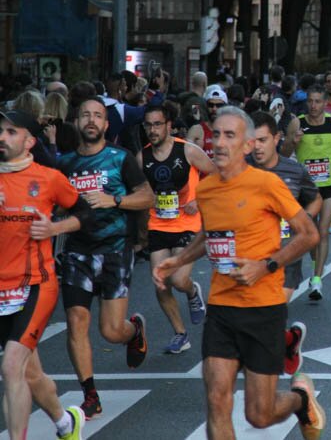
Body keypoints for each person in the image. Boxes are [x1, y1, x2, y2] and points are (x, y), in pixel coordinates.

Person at [152, 107, 324, 440]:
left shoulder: (266, 184)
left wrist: (266, 265)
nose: (218, 142)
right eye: (215, 134)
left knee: (259, 415)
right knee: (216, 399)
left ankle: (300, 399)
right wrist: (178, 260)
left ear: (246, 145)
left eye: (229, 135)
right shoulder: (206, 189)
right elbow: (210, 233)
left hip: (263, 308)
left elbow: (308, 233)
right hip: (222, 307)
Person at [56, 98, 155, 419]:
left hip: (115, 251)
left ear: (106, 124)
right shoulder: (64, 164)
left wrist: (113, 199)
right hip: (77, 253)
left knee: (111, 331)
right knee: (76, 321)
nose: (91, 120)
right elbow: (52, 202)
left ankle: (134, 331)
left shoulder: (120, 158)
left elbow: (147, 197)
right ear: (76, 122)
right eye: (85, 114)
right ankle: (90, 395)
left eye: (97, 115)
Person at [0, 109, 94, 440]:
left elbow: (84, 213)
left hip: (35, 286)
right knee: (29, 373)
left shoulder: (49, 178)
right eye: (1, 131)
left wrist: (54, 227)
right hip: (1, 290)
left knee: (11, 366)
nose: (2, 137)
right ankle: (66, 421)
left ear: (29, 141)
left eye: (12, 132)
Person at [250, 111, 322, 374]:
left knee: (266, 315)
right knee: (256, 318)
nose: (256, 146)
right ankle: (289, 340)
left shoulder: (294, 169)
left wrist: (302, 219)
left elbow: (315, 199)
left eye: (262, 140)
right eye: (252, 140)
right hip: (252, 256)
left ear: (277, 138)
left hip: (287, 255)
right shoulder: (241, 168)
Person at [139, 104, 215, 355]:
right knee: (161, 281)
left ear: (169, 125)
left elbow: (216, 176)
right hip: (158, 223)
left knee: (179, 278)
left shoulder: (188, 151)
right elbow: (138, 191)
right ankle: (180, 334)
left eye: (157, 124)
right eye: (148, 125)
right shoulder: (143, 157)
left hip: (187, 223)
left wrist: (199, 199)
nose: (153, 130)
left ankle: (193, 291)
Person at [282, 85, 331, 299]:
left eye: (318, 101)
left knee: (321, 232)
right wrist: (293, 142)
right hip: (306, 188)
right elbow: (283, 153)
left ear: (325, 103)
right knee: (310, 233)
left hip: (329, 185)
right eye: (310, 101)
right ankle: (315, 262)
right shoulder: (297, 123)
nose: (314, 106)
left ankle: (317, 280)